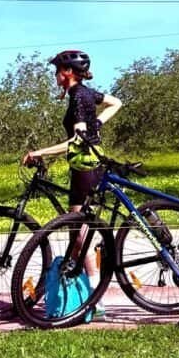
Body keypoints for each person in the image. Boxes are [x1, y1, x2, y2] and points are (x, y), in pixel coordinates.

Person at [21, 50, 122, 317]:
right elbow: (116, 102)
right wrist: (97, 123)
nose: (55, 75)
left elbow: (75, 142)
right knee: (78, 234)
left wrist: (38, 153)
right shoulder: (87, 93)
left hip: (85, 169)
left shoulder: (78, 97)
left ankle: (96, 300)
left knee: (78, 235)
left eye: (57, 71)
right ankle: (91, 295)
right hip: (87, 165)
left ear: (67, 72)